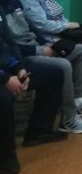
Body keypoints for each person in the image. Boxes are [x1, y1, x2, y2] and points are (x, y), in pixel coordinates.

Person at [0, 0, 82, 134]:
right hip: (23, 55)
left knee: (81, 51)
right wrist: (41, 50)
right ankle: (69, 119)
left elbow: (31, 28)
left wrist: (46, 44)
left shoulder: (15, 1)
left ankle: (80, 100)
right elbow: (9, 44)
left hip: (36, 45)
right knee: (62, 65)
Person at [1, 21, 67, 160]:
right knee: (5, 98)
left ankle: (39, 132)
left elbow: (10, 44)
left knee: (53, 74)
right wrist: (5, 79)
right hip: (3, 77)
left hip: (7, 69)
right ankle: (6, 159)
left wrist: (20, 69)